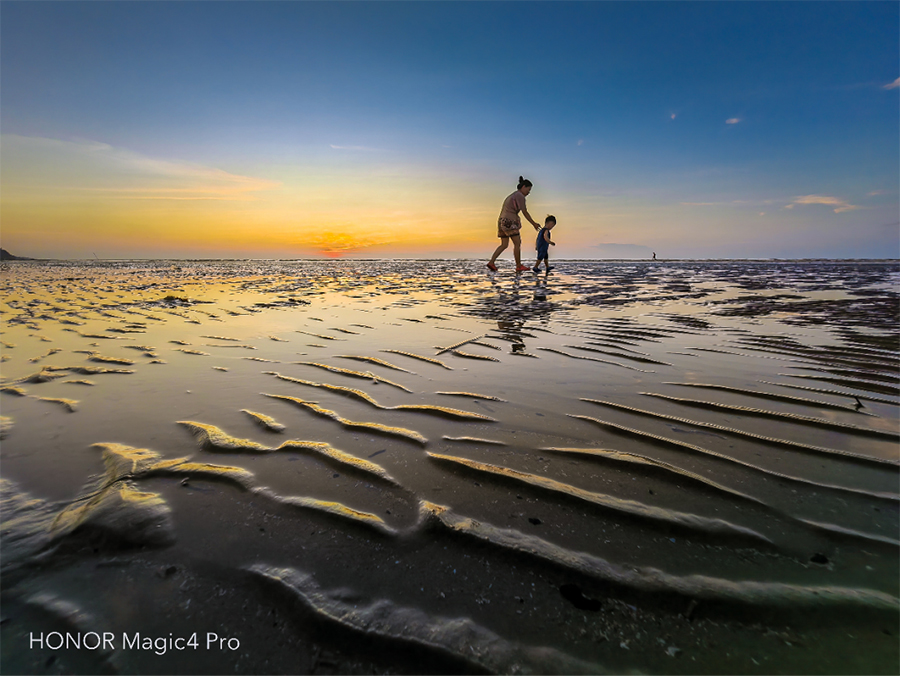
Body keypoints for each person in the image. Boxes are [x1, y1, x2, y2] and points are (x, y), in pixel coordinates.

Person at [487, 176, 542, 272]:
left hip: (502, 221)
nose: (529, 192)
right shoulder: (520, 196)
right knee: (517, 243)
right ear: (523, 187)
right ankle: (518, 265)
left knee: (504, 244)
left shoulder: (513, 195)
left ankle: (491, 262)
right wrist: (534, 223)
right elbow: (525, 212)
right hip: (509, 221)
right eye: (528, 189)